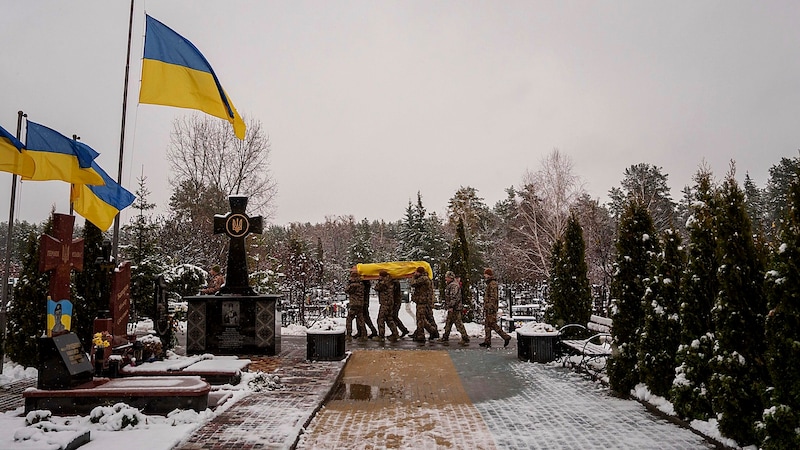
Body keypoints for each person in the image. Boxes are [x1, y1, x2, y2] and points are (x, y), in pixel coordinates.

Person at [480, 268, 512, 348]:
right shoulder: (490, 283)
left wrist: (490, 306)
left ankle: (505, 336)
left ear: (488, 275)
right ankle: (487, 341)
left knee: (492, 324)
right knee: (487, 324)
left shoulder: (492, 284)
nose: (484, 276)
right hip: (489, 307)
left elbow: (493, 297)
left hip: (491, 307)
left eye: (485, 274)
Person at [440, 271, 469, 346]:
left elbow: (454, 297)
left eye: (447, 277)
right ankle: (445, 336)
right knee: (449, 322)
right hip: (453, 307)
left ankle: (465, 337)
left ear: (450, 277)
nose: (445, 278)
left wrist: (451, 306)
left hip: (455, 308)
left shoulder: (453, 286)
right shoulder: (451, 285)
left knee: (458, 323)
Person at [410, 266, 439, 342]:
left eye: (416, 272)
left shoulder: (423, 278)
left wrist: (413, 276)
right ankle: (429, 333)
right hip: (424, 302)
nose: (415, 273)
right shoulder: (425, 278)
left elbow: (413, 283)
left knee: (421, 319)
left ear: (419, 272)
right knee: (428, 318)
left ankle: (426, 333)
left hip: (422, 302)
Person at [373, 270, 400, 342]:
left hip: (385, 303)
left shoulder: (383, 282)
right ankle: (395, 334)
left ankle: (381, 336)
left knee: (380, 319)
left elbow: (376, 288)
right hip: (390, 303)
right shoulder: (390, 281)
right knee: (389, 319)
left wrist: (379, 280)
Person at [345, 269, 367, 341]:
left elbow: (347, 290)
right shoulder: (361, 284)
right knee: (361, 319)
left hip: (354, 304)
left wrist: (349, 283)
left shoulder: (353, 285)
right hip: (360, 304)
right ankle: (364, 335)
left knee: (349, 319)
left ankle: (348, 335)